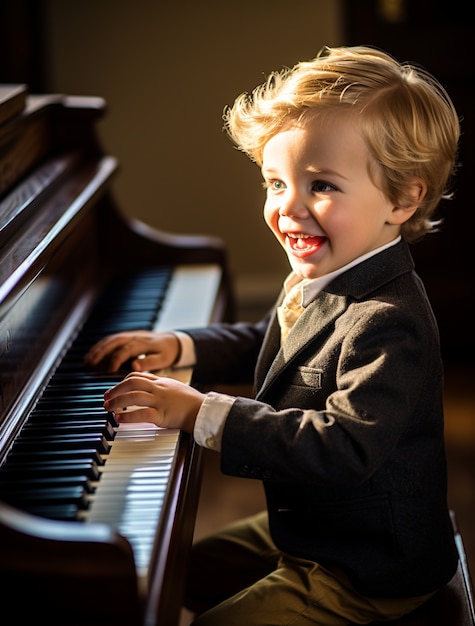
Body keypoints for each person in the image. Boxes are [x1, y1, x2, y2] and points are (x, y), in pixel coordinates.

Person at [84, 45, 461, 625]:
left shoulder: (390, 318)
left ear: (401, 198)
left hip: (367, 563)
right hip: (315, 520)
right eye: (275, 182)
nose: (289, 208)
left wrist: (203, 413)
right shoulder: (328, 271)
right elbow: (276, 338)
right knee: (173, 569)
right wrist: (183, 346)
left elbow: (344, 448)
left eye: (322, 186)